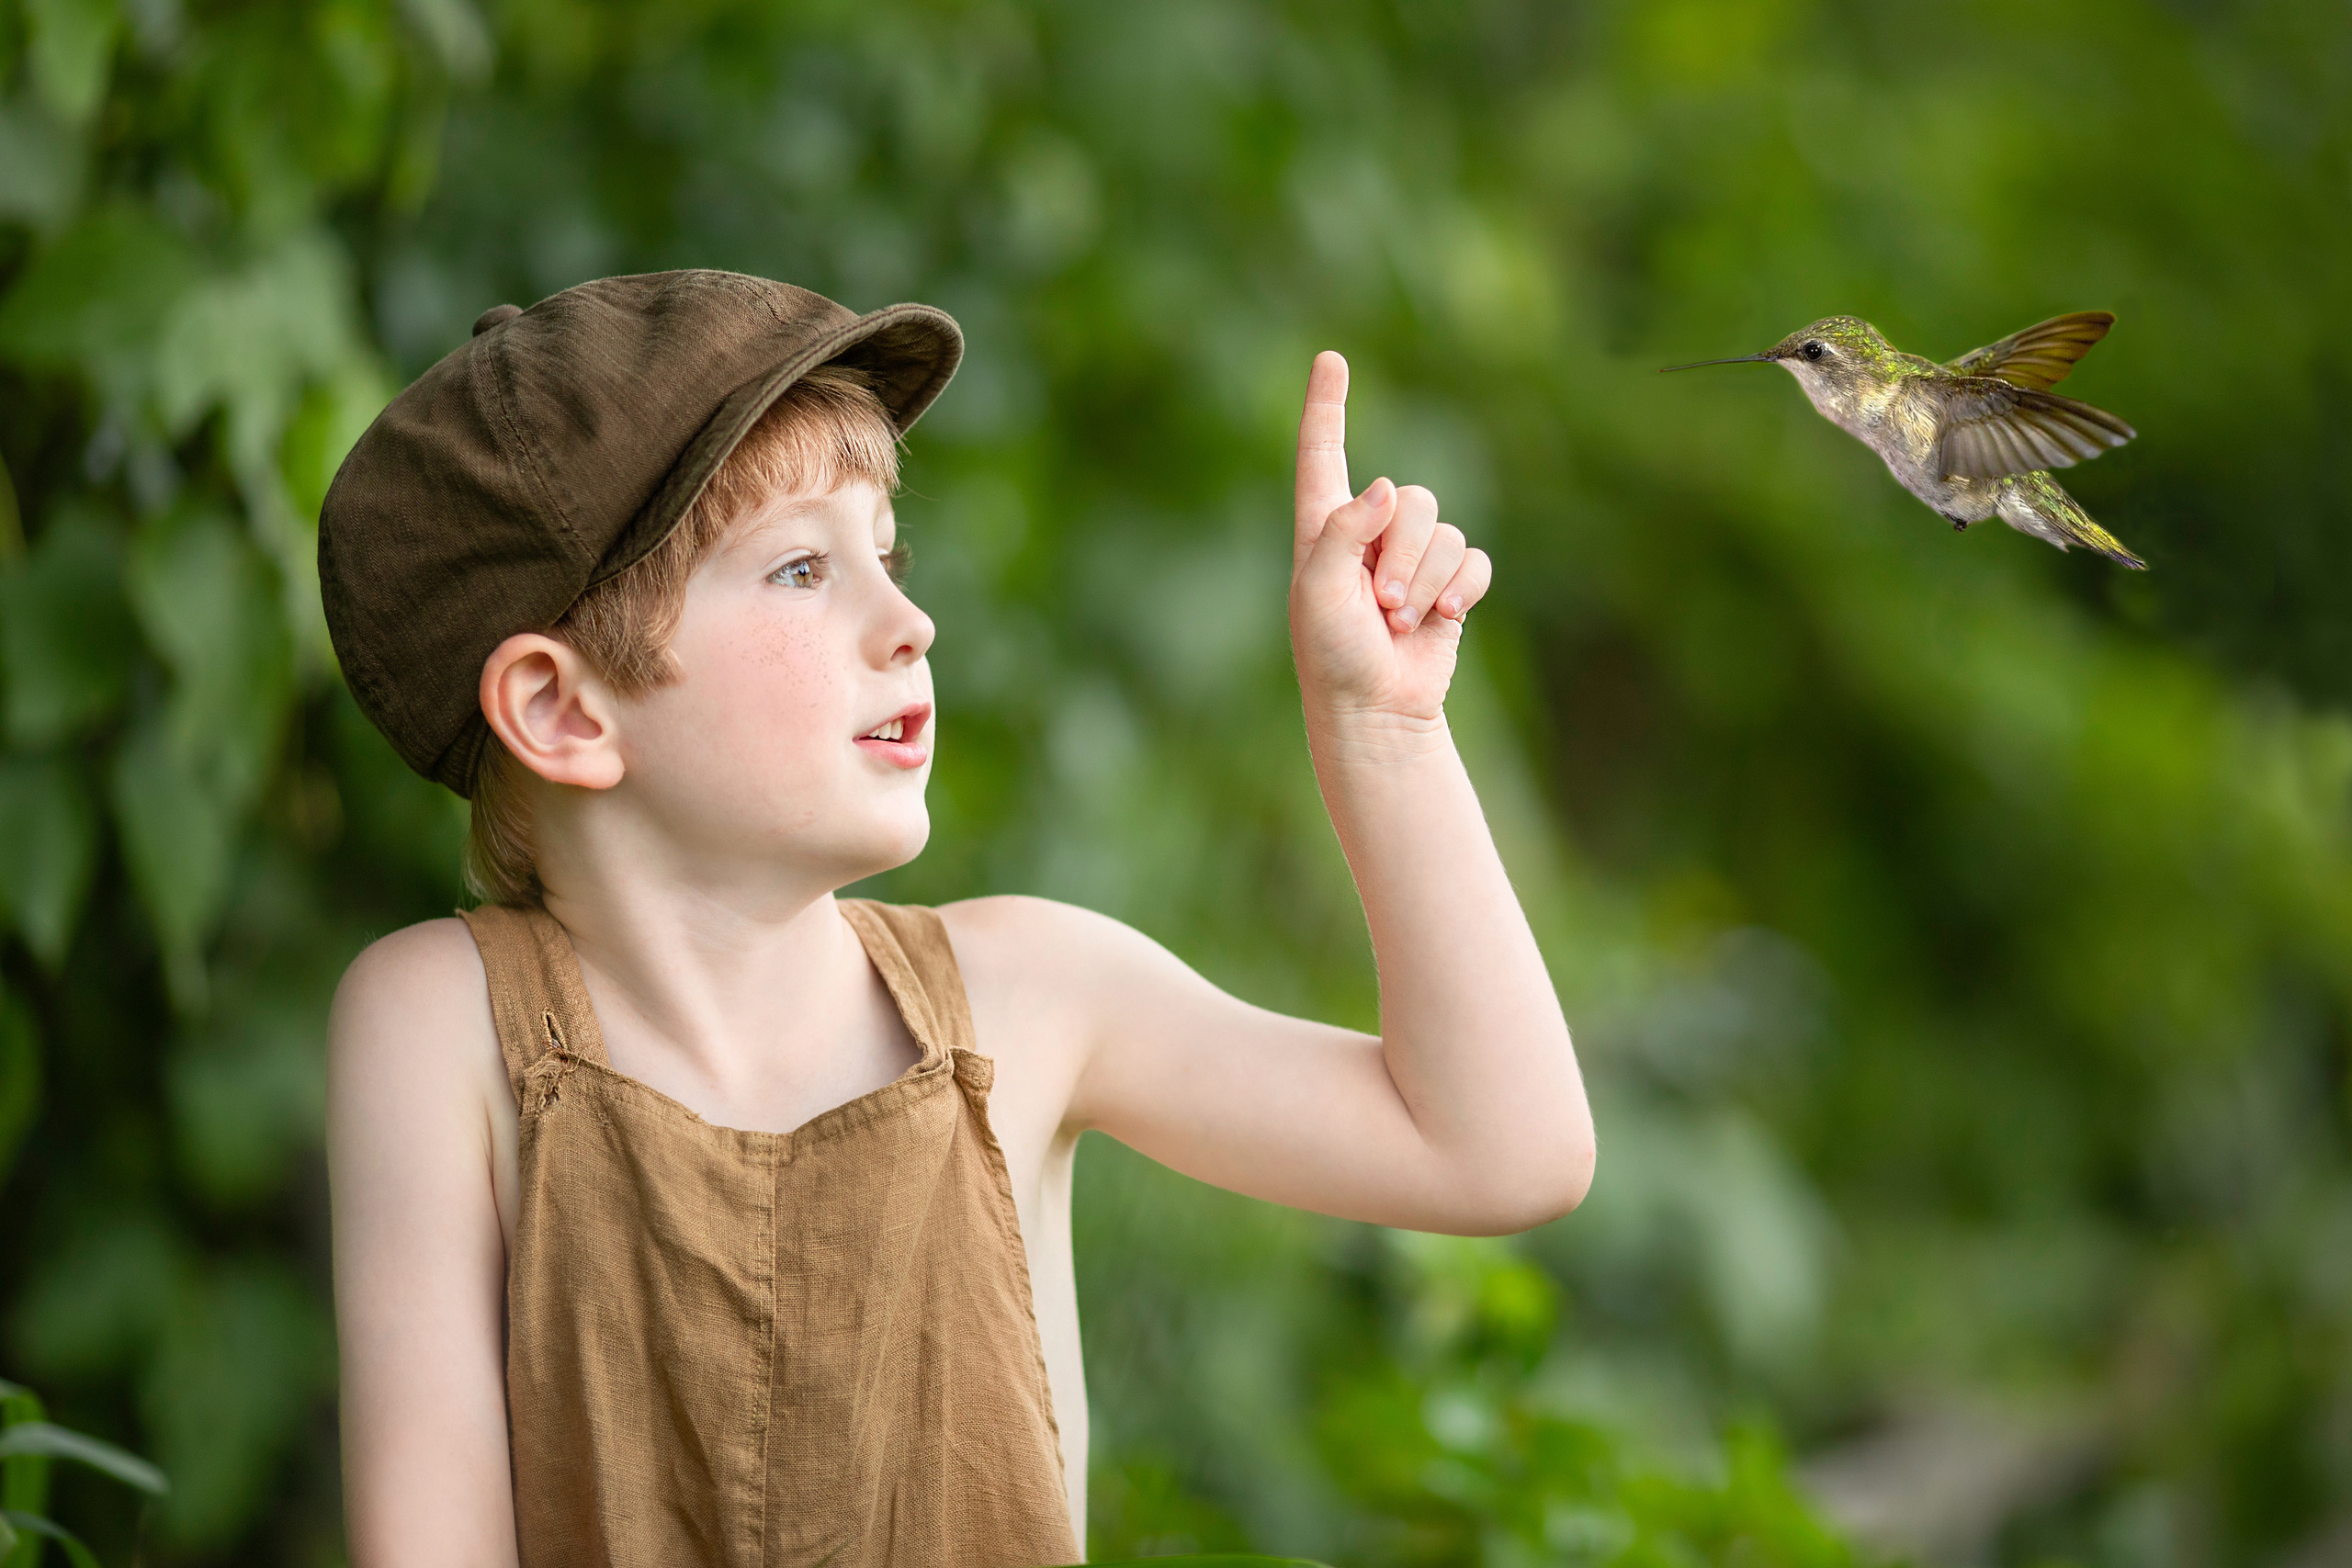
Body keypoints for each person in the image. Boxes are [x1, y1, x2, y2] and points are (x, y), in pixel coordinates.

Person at [322, 270, 1593, 1568]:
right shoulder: (442, 1026)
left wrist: (1382, 729)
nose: (910, 622)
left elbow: (1505, 1150)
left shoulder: (1035, 996)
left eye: (892, 553)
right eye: (806, 567)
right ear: (563, 711)